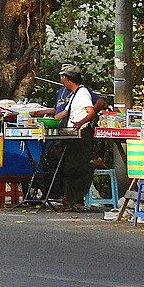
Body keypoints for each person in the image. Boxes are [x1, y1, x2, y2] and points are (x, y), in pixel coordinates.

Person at [46, 63, 98, 211]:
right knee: (64, 166)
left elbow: (91, 111)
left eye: (62, 77)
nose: (61, 80)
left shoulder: (82, 93)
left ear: (66, 78)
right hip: (72, 134)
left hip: (81, 133)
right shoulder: (74, 94)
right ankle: (69, 200)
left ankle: (94, 165)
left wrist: (80, 122)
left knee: (75, 168)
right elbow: (64, 113)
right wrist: (48, 119)